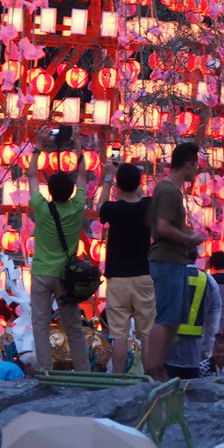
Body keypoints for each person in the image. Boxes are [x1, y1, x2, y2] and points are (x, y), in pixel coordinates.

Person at [26, 140, 93, 373]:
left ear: (50, 192)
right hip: (66, 276)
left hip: (42, 272)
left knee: (41, 324)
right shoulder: (77, 207)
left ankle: (45, 369)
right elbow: (83, 174)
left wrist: (39, 147)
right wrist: (78, 144)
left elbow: (31, 175)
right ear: (72, 191)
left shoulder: (42, 208)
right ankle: (83, 371)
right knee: (73, 326)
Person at [144, 142, 206, 381]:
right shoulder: (169, 191)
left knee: (174, 317)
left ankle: (159, 365)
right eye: (196, 165)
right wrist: (189, 239)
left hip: (172, 260)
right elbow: (161, 227)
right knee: (166, 317)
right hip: (167, 259)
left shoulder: (168, 189)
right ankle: (153, 368)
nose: (197, 171)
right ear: (189, 164)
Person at [98, 160, 155, 374]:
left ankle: (118, 377)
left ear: (117, 186)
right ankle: (148, 376)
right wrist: (128, 177)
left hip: (118, 278)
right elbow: (139, 195)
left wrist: (108, 178)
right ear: (139, 183)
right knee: (147, 332)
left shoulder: (113, 209)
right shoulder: (148, 205)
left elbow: (99, 207)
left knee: (119, 333)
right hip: (143, 275)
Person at [166, 266, 220, 379]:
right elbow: (213, 317)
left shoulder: (168, 275)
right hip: (194, 349)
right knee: (190, 390)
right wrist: (207, 348)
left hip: (168, 345)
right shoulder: (208, 280)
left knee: (167, 391)